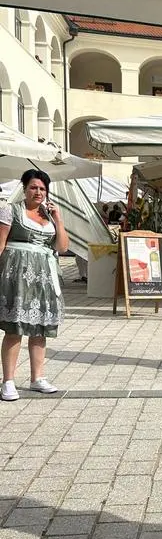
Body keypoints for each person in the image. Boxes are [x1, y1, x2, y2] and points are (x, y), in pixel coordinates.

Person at [0, 169, 69, 401]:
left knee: (40, 327)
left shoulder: (49, 215)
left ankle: (37, 377)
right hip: (17, 275)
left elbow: (62, 247)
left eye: (42, 188)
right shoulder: (10, 210)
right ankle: (8, 381)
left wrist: (58, 219)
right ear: (24, 188)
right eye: (33, 187)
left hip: (45, 277)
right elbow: (0, 243)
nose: (38, 192)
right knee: (15, 327)